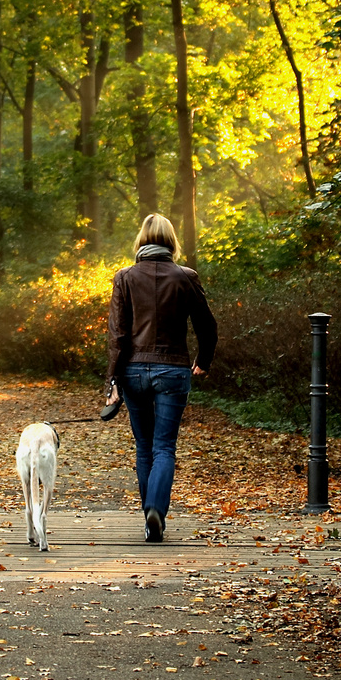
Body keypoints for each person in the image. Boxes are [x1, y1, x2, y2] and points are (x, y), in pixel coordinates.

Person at [105, 213, 217, 543]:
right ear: (171, 241)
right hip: (173, 370)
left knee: (144, 446)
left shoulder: (125, 277)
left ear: (141, 240)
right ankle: (156, 510)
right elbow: (207, 325)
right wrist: (204, 359)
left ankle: (149, 516)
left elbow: (117, 334)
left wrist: (112, 379)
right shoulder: (186, 277)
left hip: (133, 371)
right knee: (164, 446)